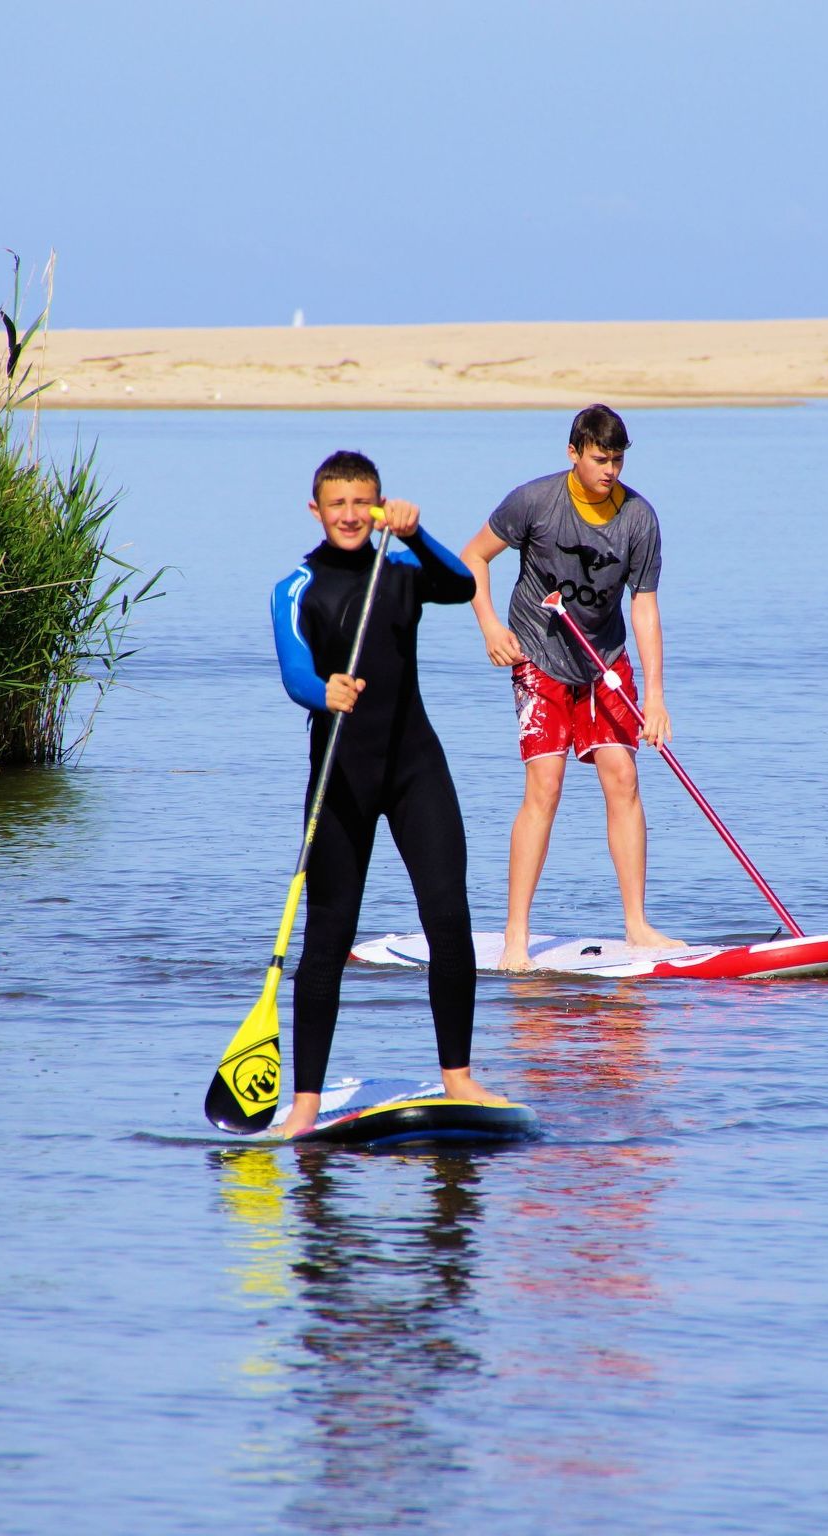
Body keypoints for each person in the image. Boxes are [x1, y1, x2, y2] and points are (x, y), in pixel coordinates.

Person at [268, 450, 506, 1138]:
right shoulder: (296, 586)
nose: (349, 515)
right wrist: (325, 691)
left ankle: (459, 1078)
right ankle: (307, 1102)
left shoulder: (399, 571)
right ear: (315, 509)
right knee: (328, 935)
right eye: (336, 504)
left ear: (378, 507)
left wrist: (414, 534)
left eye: (362, 504)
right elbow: (294, 674)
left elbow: (461, 586)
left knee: (448, 915)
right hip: (340, 774)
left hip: (415, 769)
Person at [458, 404, 676, 971]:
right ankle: (515, 937)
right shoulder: (534, 502)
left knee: (623, 776)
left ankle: (636, 923)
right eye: (600, 459)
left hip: (603, 658)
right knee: (546, 785)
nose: (610, 471)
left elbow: (644, 605)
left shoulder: (639, 518)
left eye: (618, 460)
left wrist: (654, 695)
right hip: (539, 655)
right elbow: (472, 558)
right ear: (574, 452)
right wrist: (489, 626)